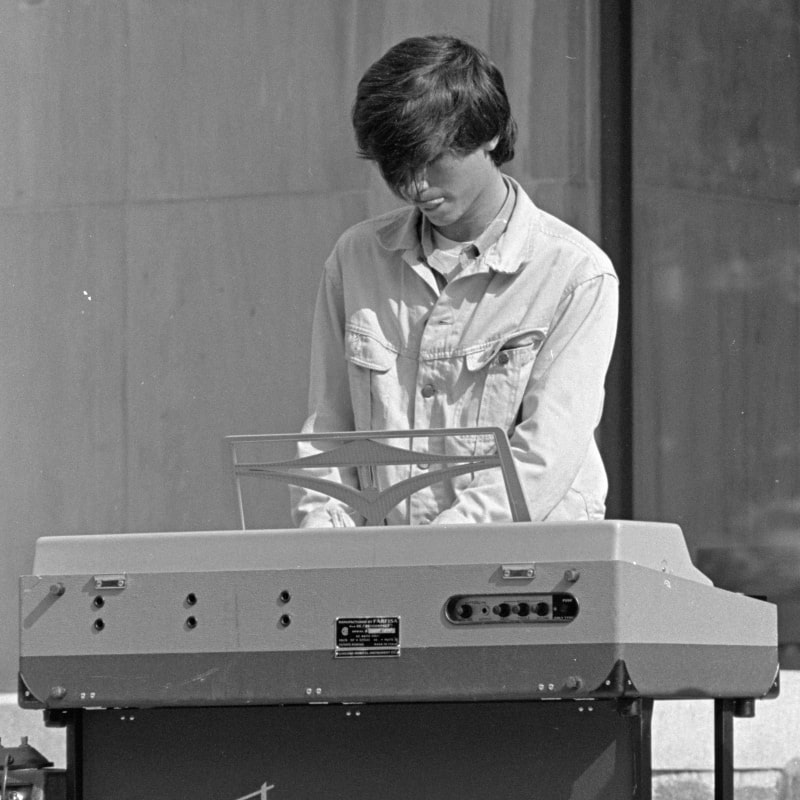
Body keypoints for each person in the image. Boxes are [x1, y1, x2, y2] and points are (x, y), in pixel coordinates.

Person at [291, 34, 618, 527]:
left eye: (433, 159)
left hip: (527, 574)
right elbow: (329, 431)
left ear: (487, 133)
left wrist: (440, 553)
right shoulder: (355, 258)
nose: (414, 185)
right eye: (395, 167)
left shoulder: (575, 274)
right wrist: (322, 535)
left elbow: (544, 456)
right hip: (385, 571)